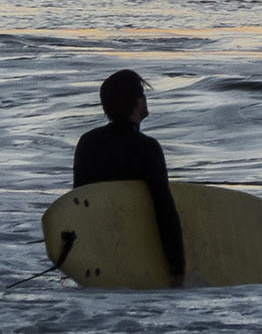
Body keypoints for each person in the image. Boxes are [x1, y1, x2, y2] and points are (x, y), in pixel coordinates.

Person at [73, 69, 186, 287]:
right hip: (134, 250)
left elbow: (78, 203)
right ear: (136, 102)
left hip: (95, 254)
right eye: (142, 93)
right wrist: (177, 266)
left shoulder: (87, 143)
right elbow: (163, 208)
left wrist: (77, 259)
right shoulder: (146, 148)